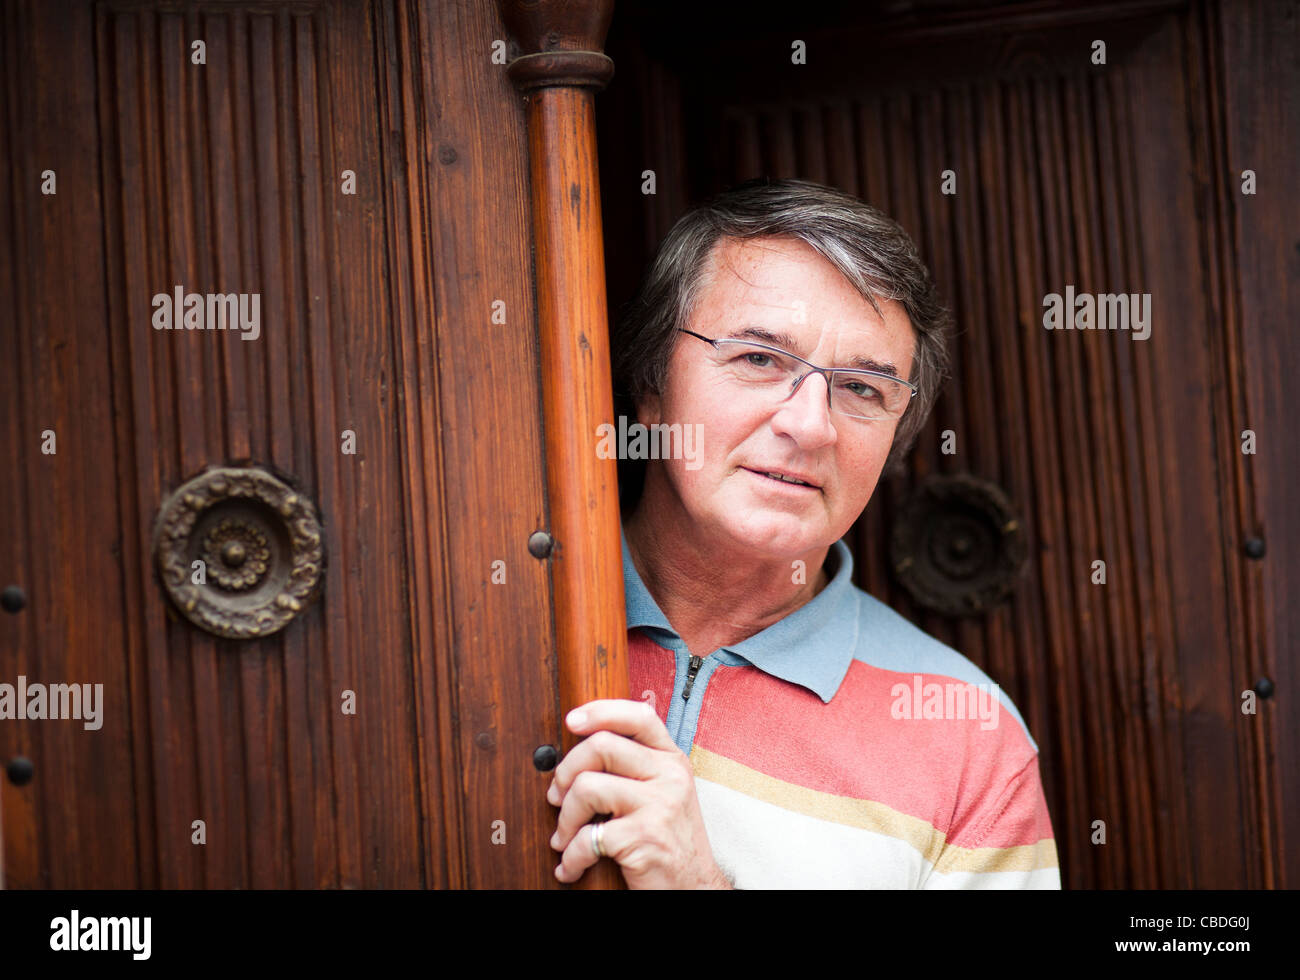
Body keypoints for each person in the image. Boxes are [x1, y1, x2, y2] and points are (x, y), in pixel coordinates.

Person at [546, 177, 1060, 889]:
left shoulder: (973, 741)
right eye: (759, 360)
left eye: (861, 389)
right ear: (651, 386)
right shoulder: (502, 618)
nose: (810, 424)